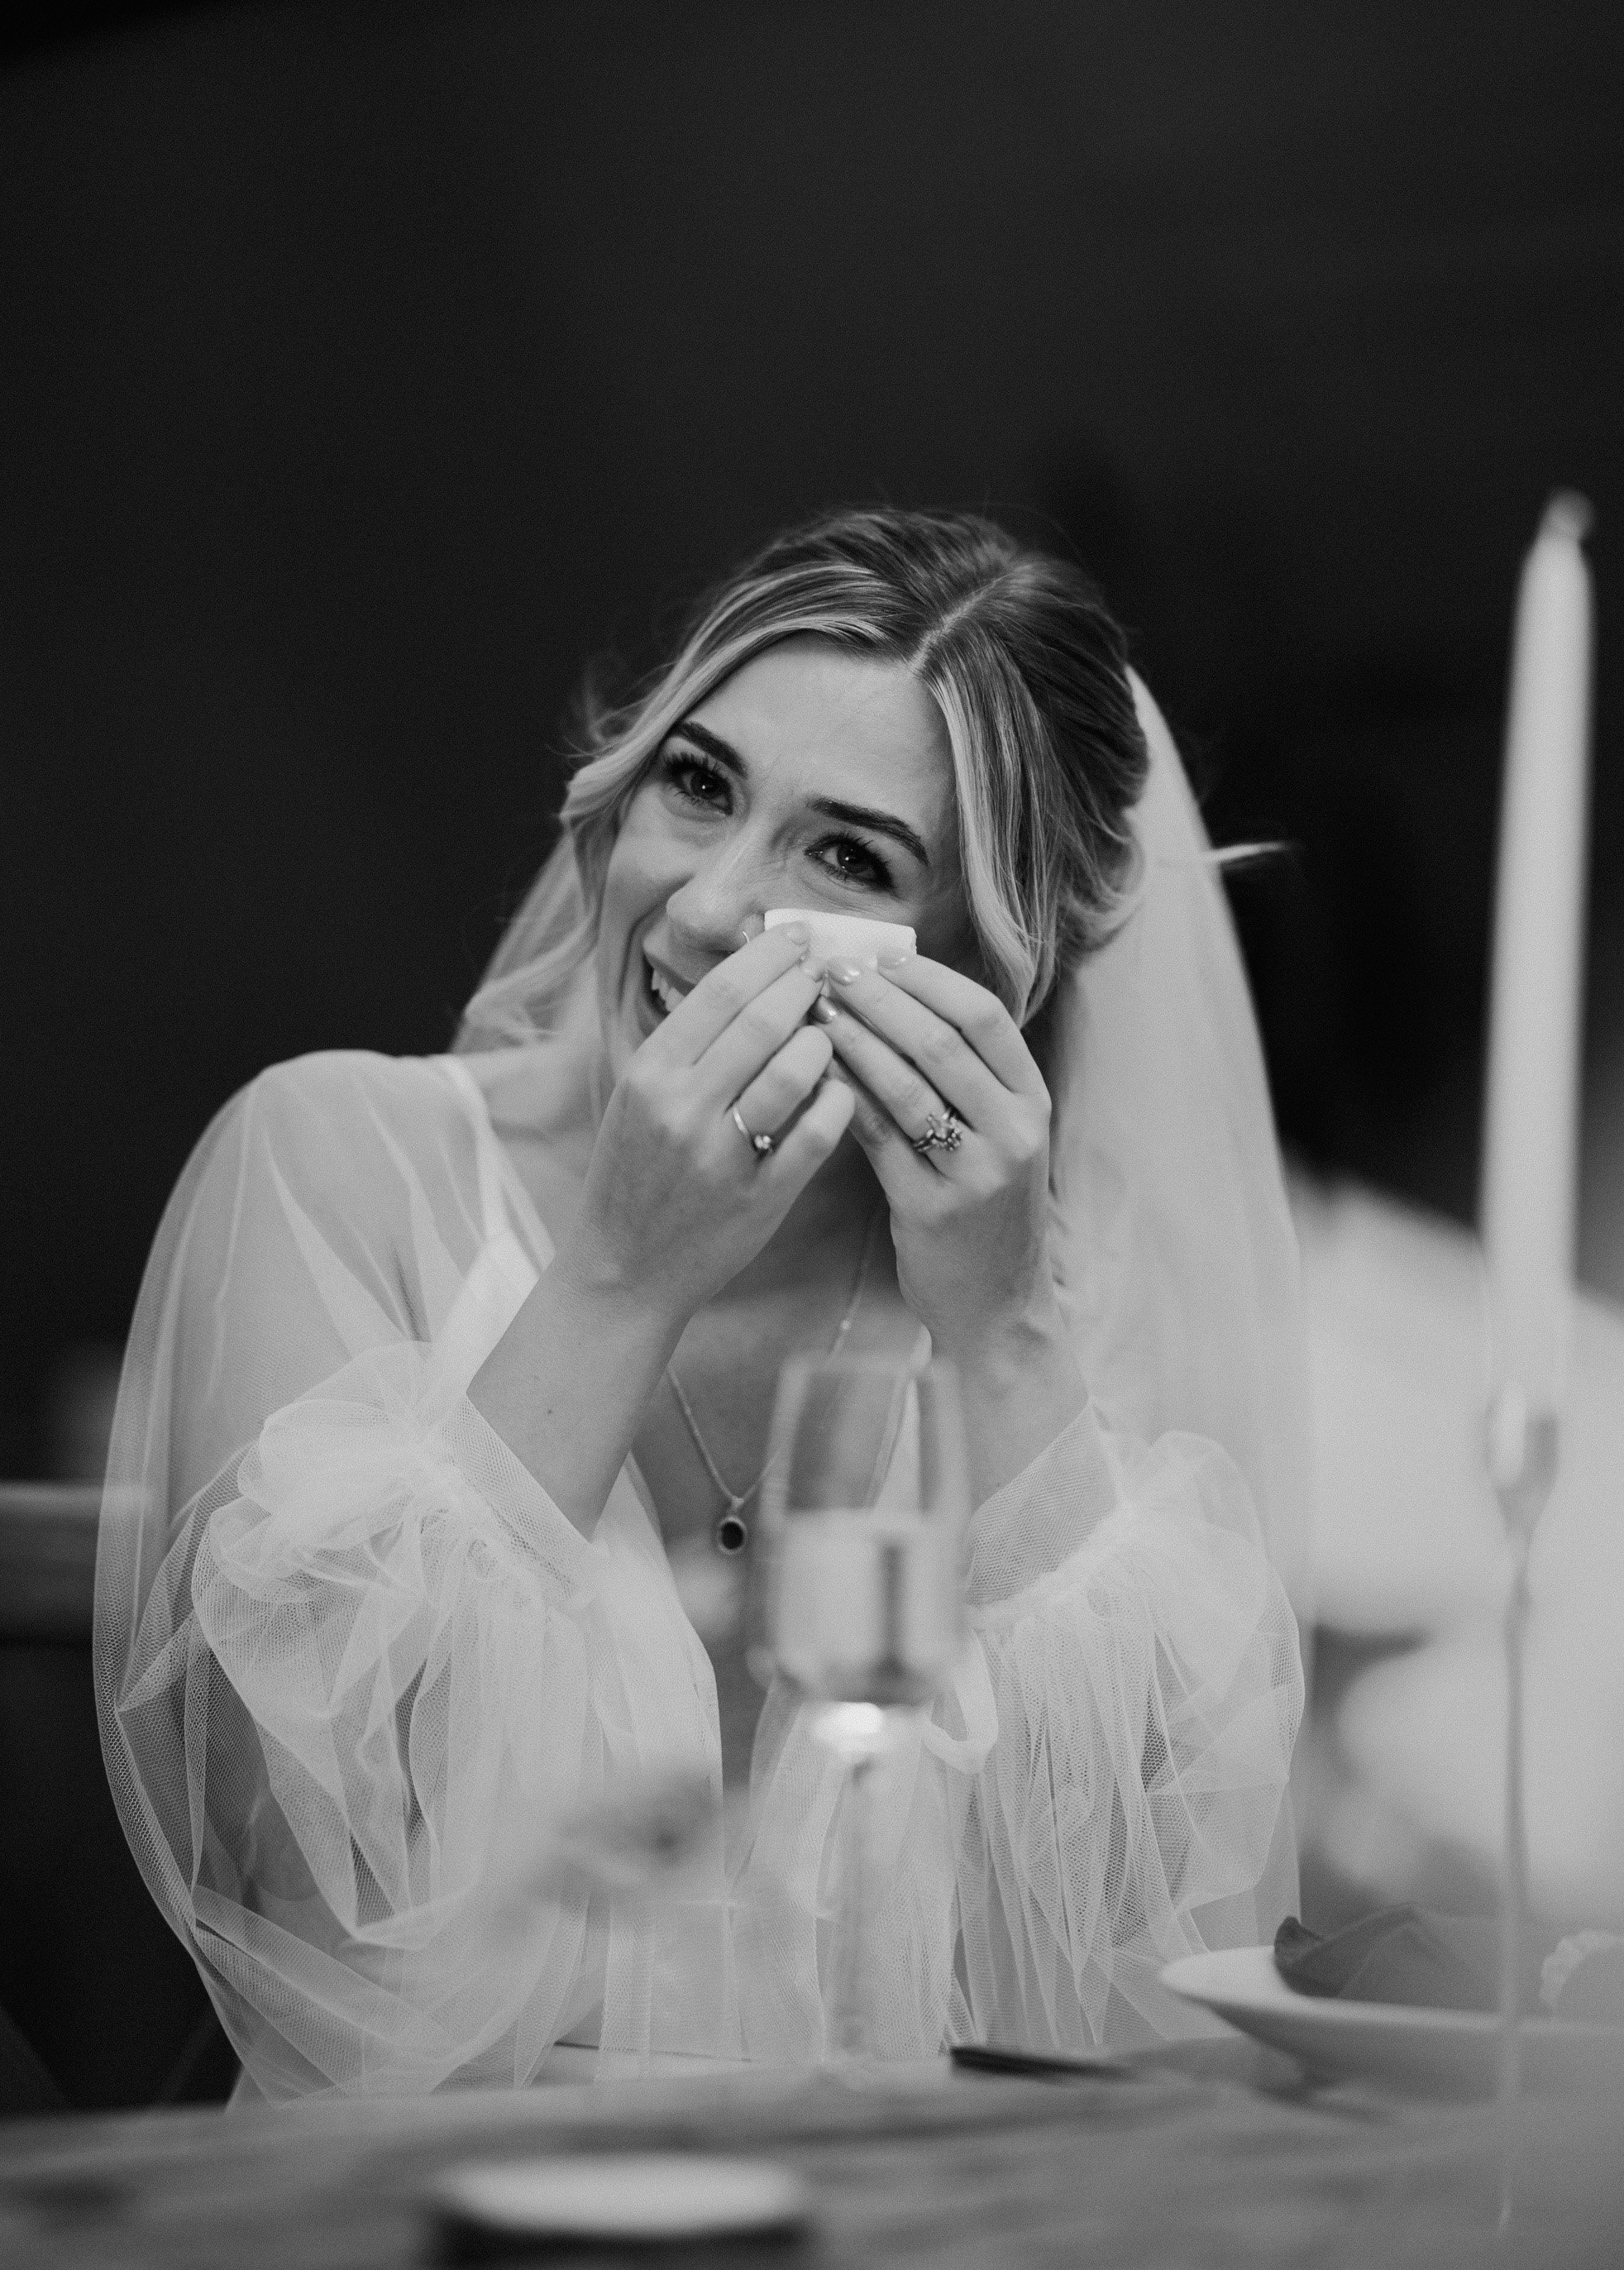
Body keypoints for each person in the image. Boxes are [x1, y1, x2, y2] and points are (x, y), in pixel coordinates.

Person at [95, 509, 1307, 2100]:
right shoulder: (336, 1162)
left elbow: (1138, 1982)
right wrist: (619, 1276)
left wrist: (999, 1331)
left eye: (848, 856)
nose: (705, 903)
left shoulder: (1074, 1298)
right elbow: (299, 1909)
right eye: (700, 783)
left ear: (991, 967)